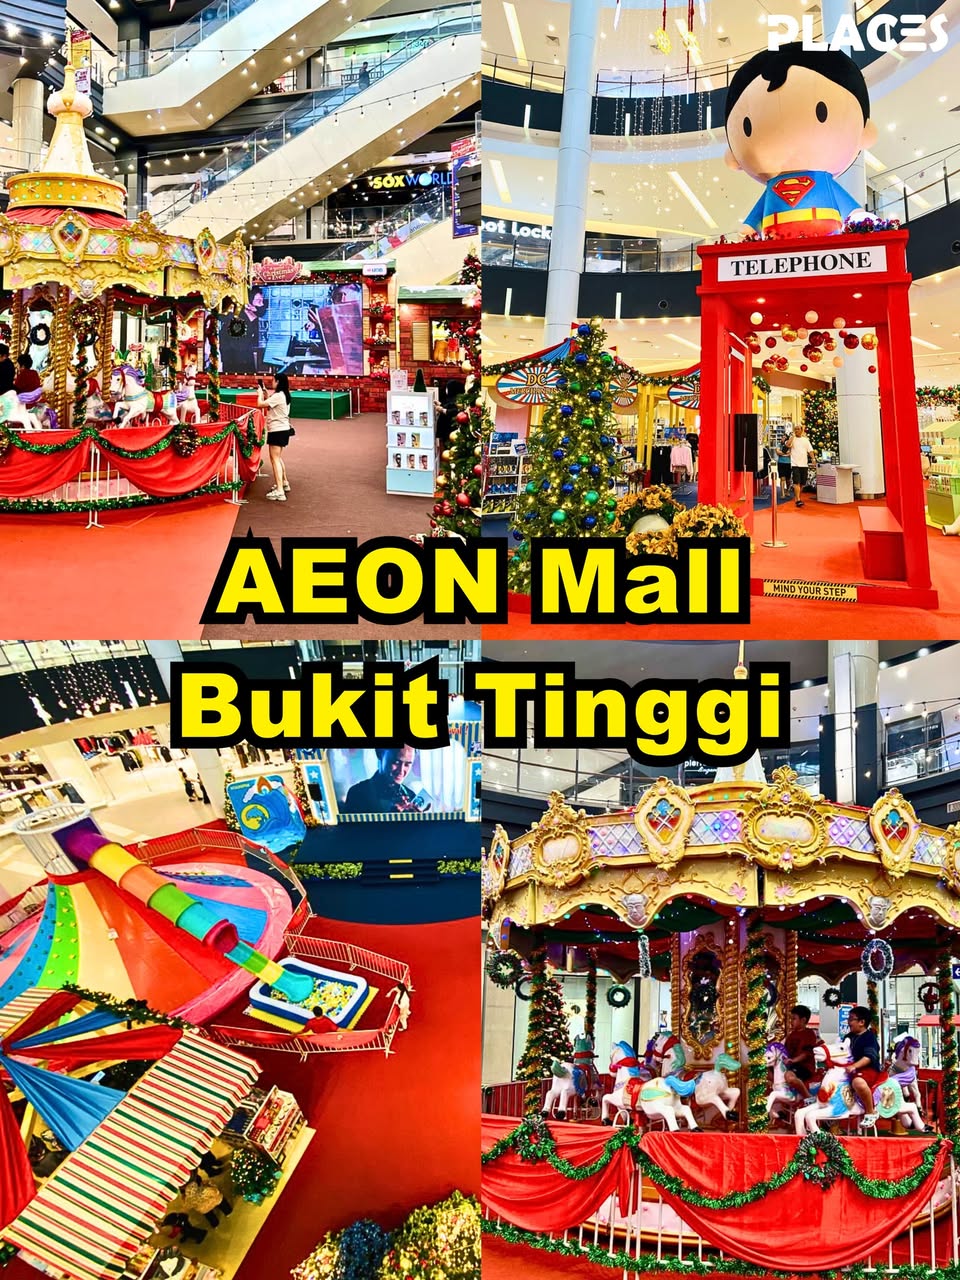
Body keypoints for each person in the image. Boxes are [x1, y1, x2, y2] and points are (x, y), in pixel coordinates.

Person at [724, 44, 876, 239]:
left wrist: (858, 216)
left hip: (825, 239)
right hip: (776, 245)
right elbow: (755, 218)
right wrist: (750, 228)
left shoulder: (823, 180)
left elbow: (851, 209)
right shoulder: (774, 186)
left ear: (864, 132)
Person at [342, 746, 424, 814]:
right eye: (396, 762)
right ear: (379, 752)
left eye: (407, 765)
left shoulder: (411, 796)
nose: (401, 771)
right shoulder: (358, 793)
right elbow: (351, 833)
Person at [845, 1005, 885, 1126]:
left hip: (867, 1070)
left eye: (851, 1019)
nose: (848, 1022)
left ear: (862, 1022)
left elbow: (869, 1057)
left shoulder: (869, 1037)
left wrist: (854, 1066)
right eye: (849, 1018)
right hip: (850, 1069)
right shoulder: (848, 1037)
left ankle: (870, 1111)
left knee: (858, 1082)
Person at [257, 371, 293, 501]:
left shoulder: (279, 395)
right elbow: (270, 404)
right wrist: (266, 394)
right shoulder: (284, 395)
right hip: (282, 430)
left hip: (277, 430)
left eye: (273, 380)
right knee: (277, 458)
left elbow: (260, 404)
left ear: (278, 382)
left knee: (275, 459)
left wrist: (259, 395)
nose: (272, 382)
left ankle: (280, 491)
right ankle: (284, 483)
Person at [783, 1004, 817, 1100]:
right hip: (791, 1065)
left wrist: (793, 1060)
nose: (791, 1021)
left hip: (804, 1067)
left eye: (794, 1019)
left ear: (803, 1020)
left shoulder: (809, 1034)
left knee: (789, 1076)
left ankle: (808, 1097)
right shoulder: (791, 1035)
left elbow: (806, 1053)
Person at [785, 424, 816, 508]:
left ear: (802, 430)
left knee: (802, 483)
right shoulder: (793, 439)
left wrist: (813, 459)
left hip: (804, 464)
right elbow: (787, 445)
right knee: (796, 482)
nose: (797, 430)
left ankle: (797, 497)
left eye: (798, 429)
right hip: (795, 464)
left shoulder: (806, 440)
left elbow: (810, 450)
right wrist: (792, 437)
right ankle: (798, 499)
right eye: (795, 429)